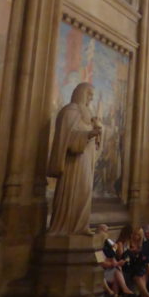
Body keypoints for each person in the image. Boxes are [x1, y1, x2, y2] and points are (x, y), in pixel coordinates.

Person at [47, 82, 103, 236]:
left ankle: (81, 226)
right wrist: (89, 134)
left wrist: (98, 131)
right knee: (72, 192)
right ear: (81, 93)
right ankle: (66, 227)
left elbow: (93, 140)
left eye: (92, 95)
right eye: (89, 94)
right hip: (73, 164)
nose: (91, 98)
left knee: (85, 191)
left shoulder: (87, 114)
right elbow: (69, 139)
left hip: (86, 161)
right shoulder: (69, 111)